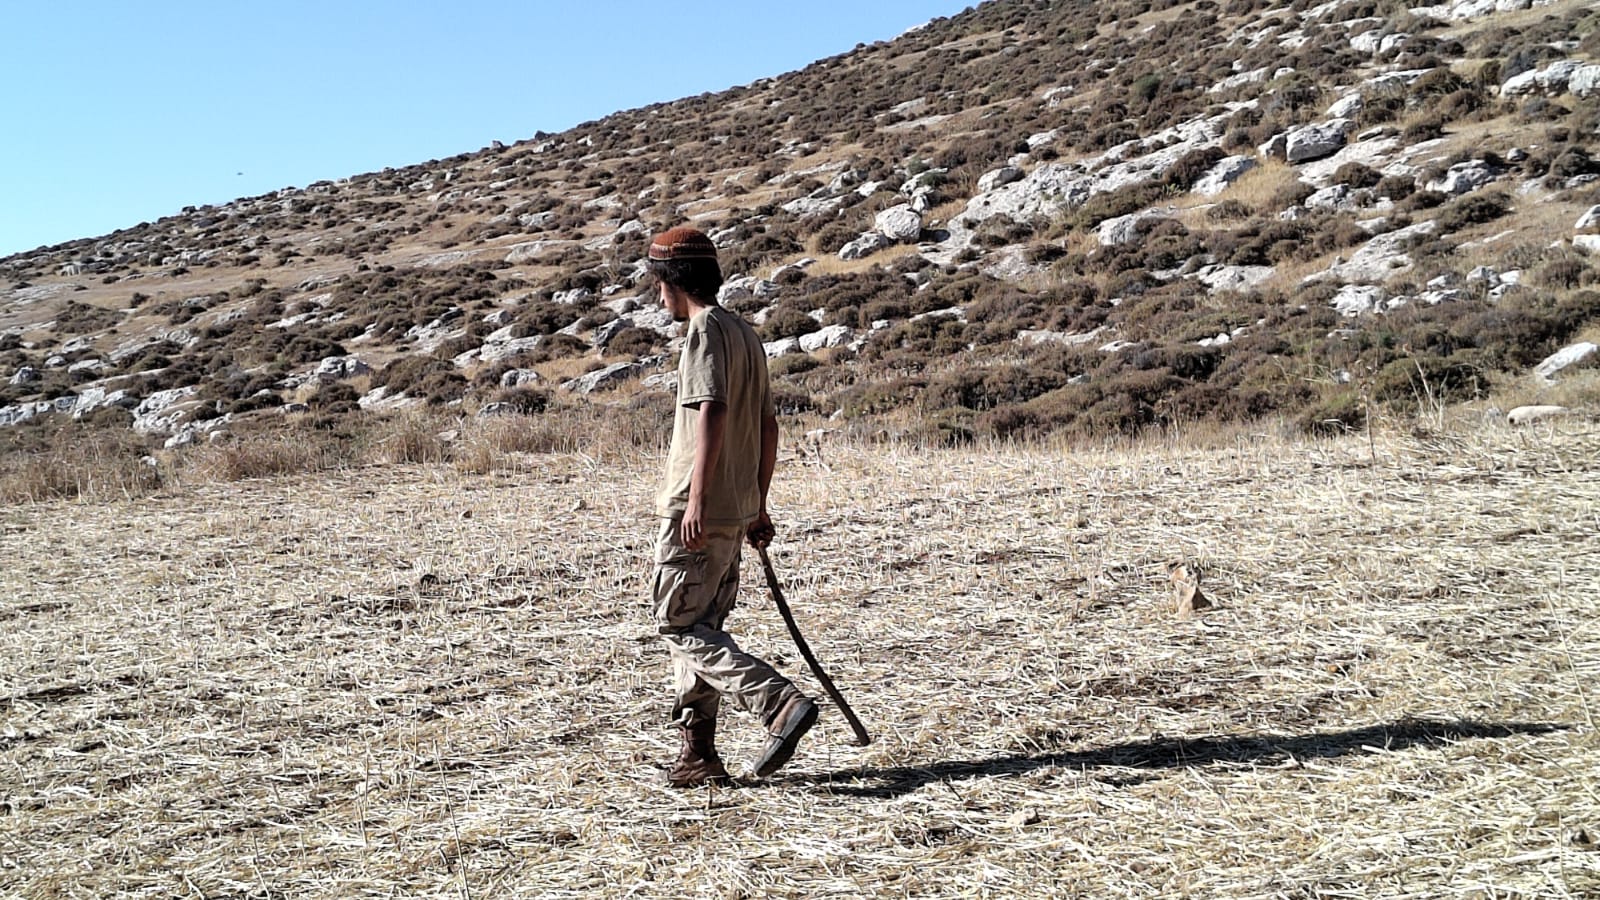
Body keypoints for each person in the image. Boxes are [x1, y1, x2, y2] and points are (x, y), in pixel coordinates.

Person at [644, 226, 817, 787]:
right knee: (704, 627)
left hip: (698, 511)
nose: (656, 297)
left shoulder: (703, 331)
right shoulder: (744, 333)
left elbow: (711, 411)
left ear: (673, 282)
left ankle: (777, 704)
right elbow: (769, 425)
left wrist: (695, 497)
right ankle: (699, 756)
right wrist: (757, 505)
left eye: (657, 284)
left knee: (677, 624)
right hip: (736, 508)